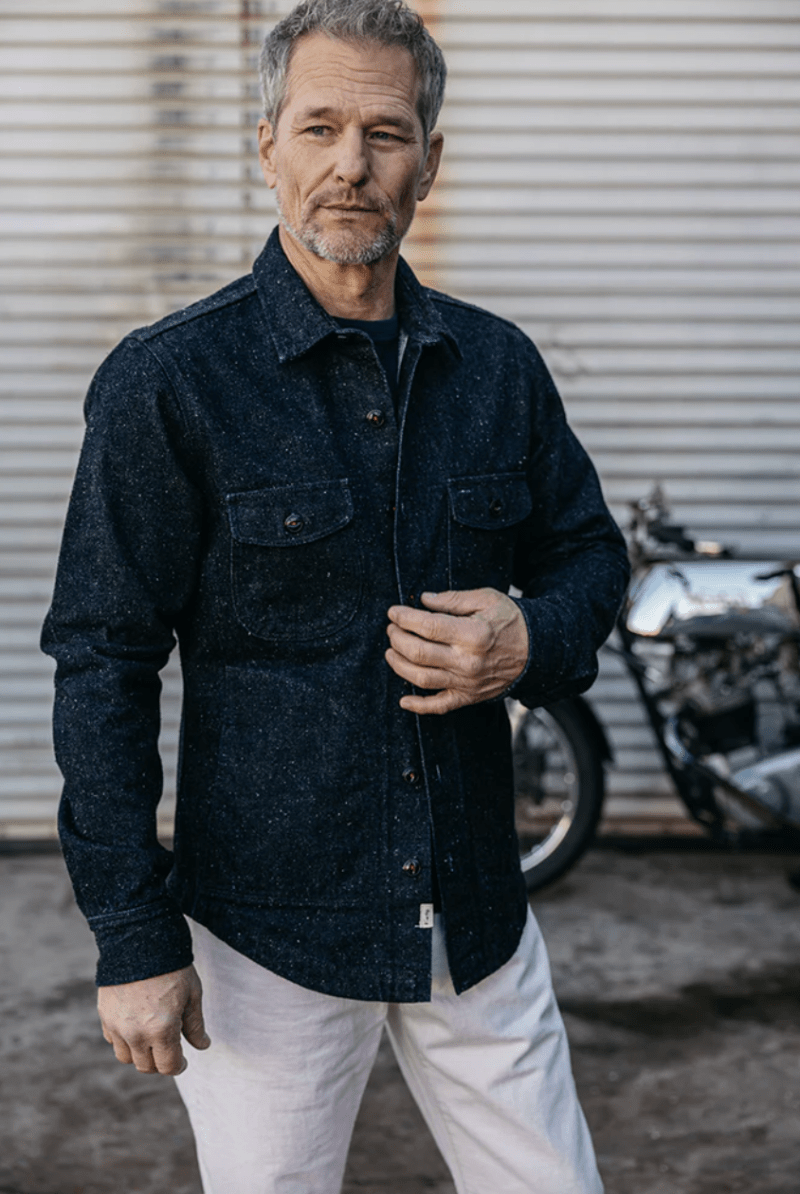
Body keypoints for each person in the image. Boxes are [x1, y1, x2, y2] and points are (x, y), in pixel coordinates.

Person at [42, 1, 629, 1190]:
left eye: (386, 132)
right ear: (268, 146)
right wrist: (132, 934)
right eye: (319, 128)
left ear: (429, 160)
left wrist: (532, 637)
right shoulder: (170, 382)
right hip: (269, 940)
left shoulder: (496, 367)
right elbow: (102, 659)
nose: (351, 165)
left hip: (475, 916)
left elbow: (587, 556)